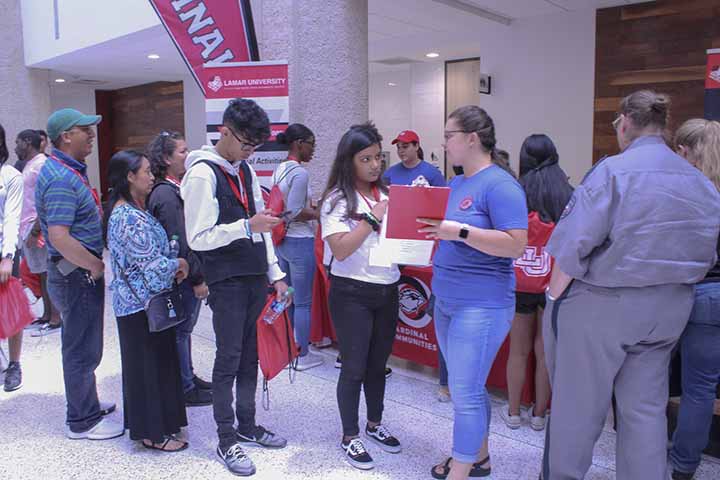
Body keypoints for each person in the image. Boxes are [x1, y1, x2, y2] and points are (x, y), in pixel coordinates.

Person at [540, 91, 720, 480]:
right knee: (645, 412)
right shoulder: (701, 182)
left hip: (603, 306)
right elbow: (708, 255)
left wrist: (554, 296)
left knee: (578, 410)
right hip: (670, 308)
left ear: (624, 123)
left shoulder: (613, 172)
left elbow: (571, 248)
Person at [419, 106, 528, 480]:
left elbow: (516, 245)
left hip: (481, 304)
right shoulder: (457, 183)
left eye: (449, 135)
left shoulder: (501, 185)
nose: (444, 143)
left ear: (472, 138)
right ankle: (478, 457)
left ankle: (460, 469)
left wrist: (460, 232)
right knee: (469, 387)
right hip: (447, 300)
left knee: (463, 392)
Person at [181, 98, 289, 476]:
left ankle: (247, 425)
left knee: (250, 358)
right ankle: (226, 439)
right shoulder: (201, 173)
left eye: (255, 147)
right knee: (228, 359)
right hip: (225, 282)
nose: (249, 152)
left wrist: (275, 273)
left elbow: (264, 229)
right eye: (245, 144)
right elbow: (198, 237)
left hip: (254, 275)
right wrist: (246, 227)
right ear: (223, 131)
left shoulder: (243, 170)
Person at [36, 108, 123, 440]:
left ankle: (88, 403)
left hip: (75, 271)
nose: (91, 135)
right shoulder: (60, 178)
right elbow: (59, 236)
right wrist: (94, 264)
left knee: (84, 344)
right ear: (65, 136)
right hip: (76, 273)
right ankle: (82, 420)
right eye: (84, 129)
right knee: (81, 348)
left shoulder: (66, 170)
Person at [320, 122, 403, 471]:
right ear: (349, 161)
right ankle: (349, 435)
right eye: (365, 159)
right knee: (353, 366)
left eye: (377, 158)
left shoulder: (389, 194)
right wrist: (371, 219)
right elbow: (339, 250)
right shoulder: (337, 199)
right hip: (351, 291)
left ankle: (374, 425)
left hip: (388, 287)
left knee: (377, 365)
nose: (373, 165)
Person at [105, 150, 190, 452]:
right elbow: (151, 268)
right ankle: (153, 434)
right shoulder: (128, 217)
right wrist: (179, 264)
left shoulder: (130, 210)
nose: (151, 176)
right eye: (145, 171)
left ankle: (157, 428)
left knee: (151, 367)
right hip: (141, 306)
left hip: (139, 304)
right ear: (129, 176)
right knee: (149, 369)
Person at [500, 134, 573, 432]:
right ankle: (540, 415)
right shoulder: (567, 192)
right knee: (545, 351)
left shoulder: (516, 190)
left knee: (518, 350)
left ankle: (514, 412)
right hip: (554, 281)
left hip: (520, 281)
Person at [668, 119, 720, 480]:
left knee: (649, 378)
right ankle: (685, 466)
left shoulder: (682, 193)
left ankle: (646, 452)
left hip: (679, 292)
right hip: (716, 299)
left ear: (684, 151)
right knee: (701, 388)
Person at [146, 131, 212, 407]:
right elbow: (181, 241)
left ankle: (188, 376)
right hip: (182, 276)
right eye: (183, 151)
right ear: (165, 158)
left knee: (184, 331)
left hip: (186, 273)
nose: (189, 155)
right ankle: (184, 386)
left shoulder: (176, 188)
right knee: (180, 331)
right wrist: (197, 278)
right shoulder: (167, 194)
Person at [382, 129, 445, 393]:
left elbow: (443, 205)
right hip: (397, 238)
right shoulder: (391, 174)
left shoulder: (431, 173)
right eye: (399, 146)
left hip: (423, 240)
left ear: (417, 146)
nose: (401, 150)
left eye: (406, 146)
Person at [273, 123, 324, 370]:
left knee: (290, 299)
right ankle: (302, 355)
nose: (313, 150)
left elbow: (283, 208)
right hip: (300, 241)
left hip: (282, 242)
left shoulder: (280, 169)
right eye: (312, 144)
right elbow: (293, 211)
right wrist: (318, 213)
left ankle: (290, 349)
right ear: (299, 144)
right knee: (303, 302)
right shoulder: (300, 173)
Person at [16, 129, 62, 336]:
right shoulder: (30, 164)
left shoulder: (42, 164)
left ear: (27, 142)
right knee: (40, 274)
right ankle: (46, 315)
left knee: (48, 273)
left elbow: (44, 199)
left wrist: (36, 229)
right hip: (27, 229)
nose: (15, 147)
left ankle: (55, 318)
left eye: (18, 142)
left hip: (38, 230)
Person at [0, 122, 25, 392]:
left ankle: (15, 364)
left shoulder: (10, 176)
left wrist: (8, 255)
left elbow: (12, 218)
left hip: (4, 250)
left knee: (10, 310)